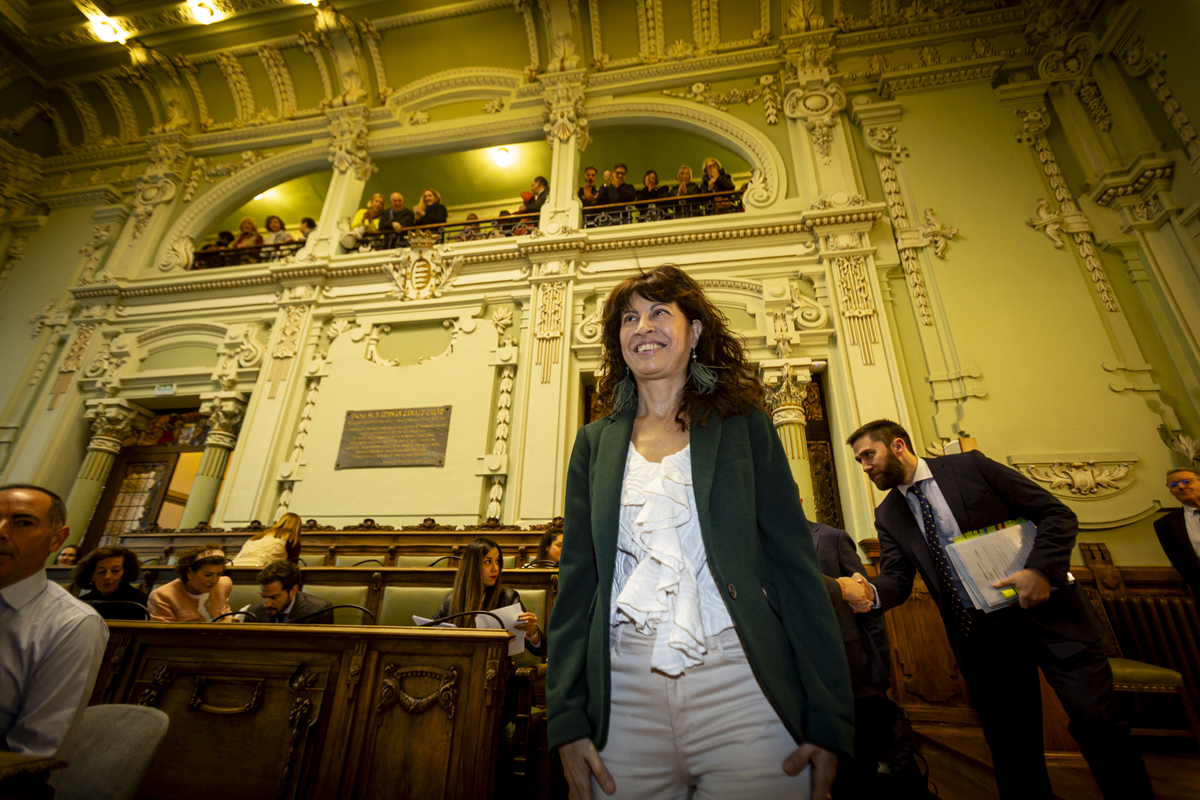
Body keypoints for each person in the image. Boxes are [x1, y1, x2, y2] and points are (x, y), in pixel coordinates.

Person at [547, 265, 853, 800]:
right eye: (629, 318)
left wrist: (829, 718)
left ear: (696, 332)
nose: (643, 326)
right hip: (622, 695)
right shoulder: (593, 444)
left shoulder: (746, 426)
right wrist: (567, 721)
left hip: (741, 685)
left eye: (660, 312)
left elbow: (795, 569)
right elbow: (577, 587)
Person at [841, 419, 1153, 800]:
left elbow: (1056, 514)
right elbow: (897, 579)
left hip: (1050, 616)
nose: (865, 467)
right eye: (859, 461)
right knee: (1012, 749)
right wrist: (869, 592)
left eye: (868, 455)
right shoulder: (889, 514)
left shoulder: (969, 467)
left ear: (899, 445)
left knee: (1098, 724)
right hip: (984, 639)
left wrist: (1040, 570)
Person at [0, 484, 108, 755]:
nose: (0, 531)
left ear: (56, 540)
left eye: (23, 522)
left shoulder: (73, 625)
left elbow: (32, 755)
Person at [434, 537, 545, 656]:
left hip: (493, 668)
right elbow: (431, 632)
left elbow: (540, 650)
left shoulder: (508, 597)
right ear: (472, 566)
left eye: (497, 561)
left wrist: (532, 633)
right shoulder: (451, 600)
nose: (495, 568)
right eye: (488, 562)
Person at [147, 544, 233, 623]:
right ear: (189, 572)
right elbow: (164, 635)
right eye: (208, 575)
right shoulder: (162, 596)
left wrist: (228, 619)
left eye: (219, 574)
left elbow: (225, 612)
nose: (214, 580)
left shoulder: (224, 584)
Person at [1154, 467, 1200, 597]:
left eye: (1187, 482)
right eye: (1173, 485)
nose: (1181, 487)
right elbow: (1181, 564)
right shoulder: (1165, 525)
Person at [72, 546, 148, 621]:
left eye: (115, 570)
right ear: (90, 575)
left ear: (125, 573)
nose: (107, 577)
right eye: (101, 572)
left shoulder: (138, 602)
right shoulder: (81, 603)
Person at [242, 561, 333, 624]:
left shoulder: (319, 611)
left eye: (274, 597)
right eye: (263, 597)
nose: (266, 604)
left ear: (293, 590)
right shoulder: (253, 613)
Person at [231, 512, 301, 568]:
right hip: (262, 568)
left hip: (235, 566)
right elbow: (292, 565)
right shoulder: (291, 538)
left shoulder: (260, 535)